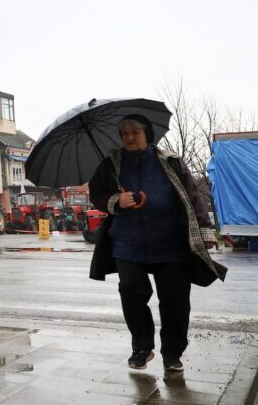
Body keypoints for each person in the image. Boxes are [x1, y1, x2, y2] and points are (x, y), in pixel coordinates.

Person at [89, 114, 226, 373]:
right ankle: (142, 347)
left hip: (170, 243)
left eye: (135, 132)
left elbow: (192, 196)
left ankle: (172, 353)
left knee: (175, 299)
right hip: (127, 243)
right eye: (124, 133)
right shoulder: (111, 164)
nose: (129, 137)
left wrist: (205, 232)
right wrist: (116, 201)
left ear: (147, 134)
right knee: (130, 291)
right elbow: (96, 194)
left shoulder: (170, 162)